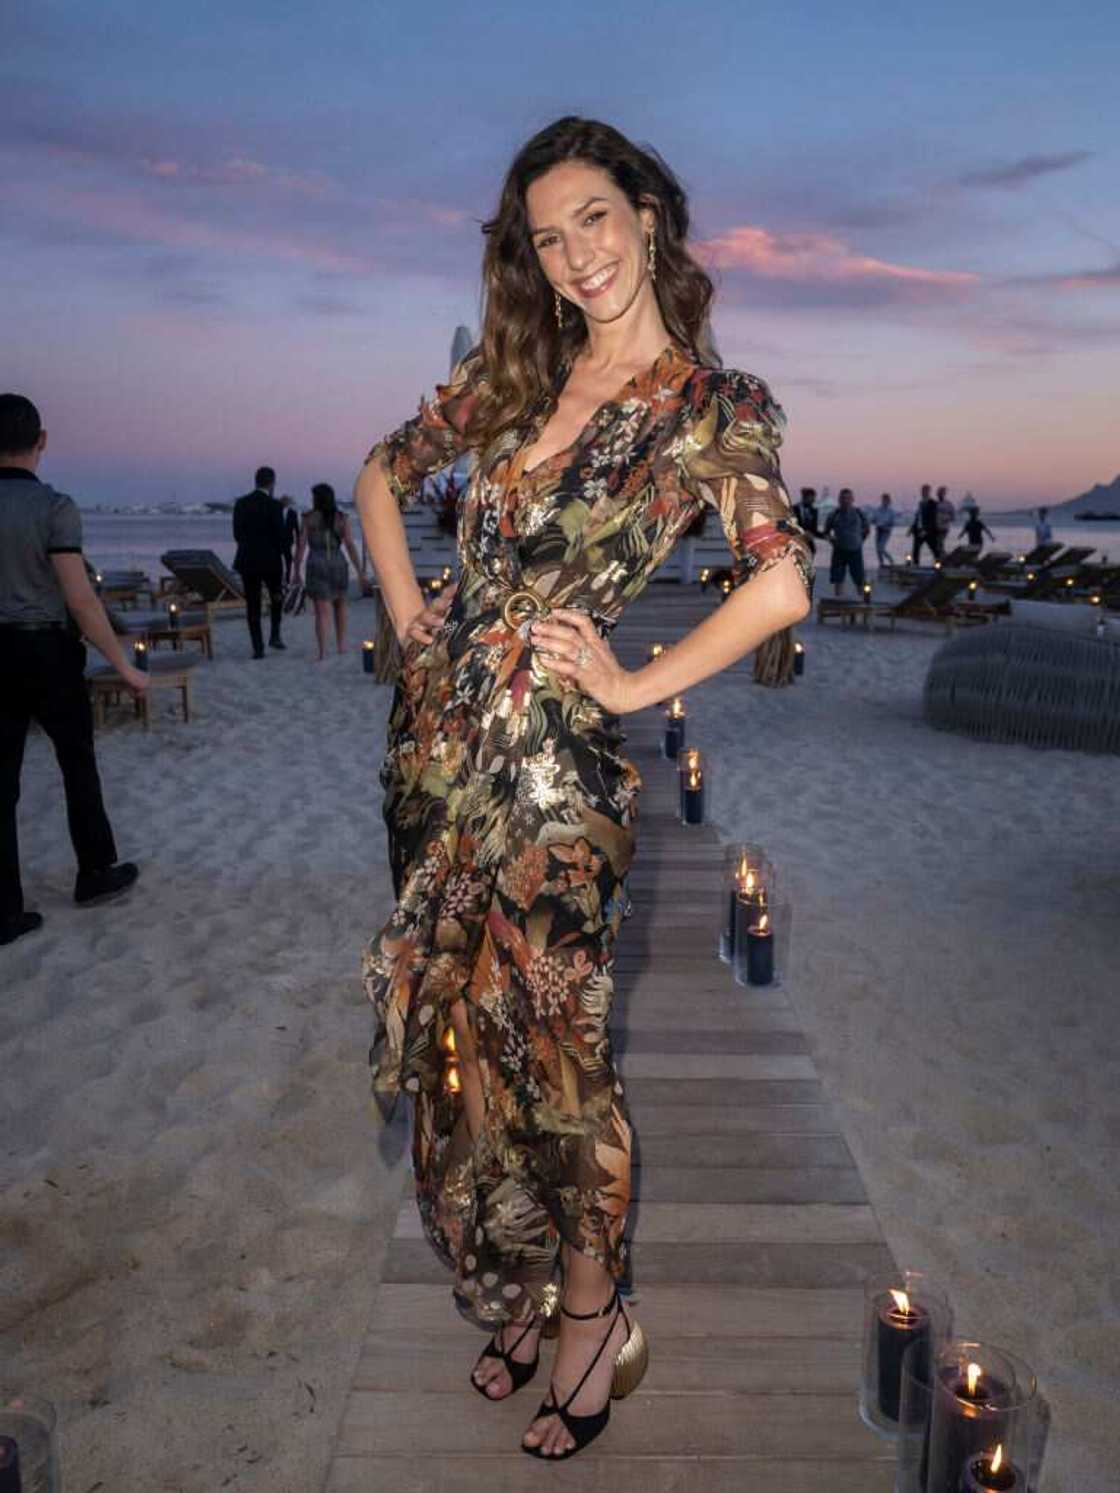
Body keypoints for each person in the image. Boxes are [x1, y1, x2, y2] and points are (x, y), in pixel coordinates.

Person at [353, 116, 811, 1461]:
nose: (574, 256)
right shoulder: (513, 373)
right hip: (430, 766)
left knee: (559, 1068)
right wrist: (405, 609)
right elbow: (382, 473)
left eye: (594, 218)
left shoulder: (708, 407)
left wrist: (627, 684)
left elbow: (783, 580)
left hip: (556, 790)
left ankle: (593, 1314)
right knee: (465, 1060)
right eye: (547, 238)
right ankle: (530, 1274)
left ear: (649, 217)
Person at [0, 394, 147, 946]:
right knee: (76, 763)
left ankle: (4, 910)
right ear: (41, 441)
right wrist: (123, 665)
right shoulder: (54, 507)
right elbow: (81, 600)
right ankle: (94, 872)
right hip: (47, 652)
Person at [292, 482, 366, 659]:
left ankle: (322, 651)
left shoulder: (308, 518)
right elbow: (349, 545)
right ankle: (341, 646)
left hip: (316, 563)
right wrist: (360, 571)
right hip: (338, 563)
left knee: (321, 610)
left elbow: (301, 546)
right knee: (340, 604)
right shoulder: (342, 518)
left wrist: (295, 570)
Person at [232, 465, 287, 658]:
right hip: (271, 560)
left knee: (252, 604)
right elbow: (281, 536)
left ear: (255, 481)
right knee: (276, 597)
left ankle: (258, 647)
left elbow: (237, 534)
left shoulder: (241, 504)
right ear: (272, 483)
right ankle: (275, 634)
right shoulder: (275, 506)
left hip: (248, 559)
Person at [823, 488, 869, 596]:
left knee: (859, 579)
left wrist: (860, 541)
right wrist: (832, 541)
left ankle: (862, 601)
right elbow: (826, 532)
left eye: (848, 498)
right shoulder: (833, 515)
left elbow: (867, 530)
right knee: (838, 579)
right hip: (839, 551)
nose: (845, 500)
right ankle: (839, 601)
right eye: (843, 498)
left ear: (853, 499)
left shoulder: (859, 513)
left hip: (855, 551)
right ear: (839, 500)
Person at [909, 483, 938, 564]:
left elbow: (933, 518)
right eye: (922, 491)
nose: (923, 493)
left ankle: (939, 565)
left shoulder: (933, 503)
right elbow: (918, 517)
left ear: (929, 492)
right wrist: (912, 528)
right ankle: (916, 565)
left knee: (934, 549)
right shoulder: (921, 503)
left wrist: (926, 530)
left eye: (925, 491)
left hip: (929, 531)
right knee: (916, 549)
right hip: (919, 530)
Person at [279, 495, 300, 585]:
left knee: (288, 559)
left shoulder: (293, 513)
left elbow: (296, 527)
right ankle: (279, 576)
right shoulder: (276, 511)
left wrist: (299, 539)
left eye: (287, 501)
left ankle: (287, 577)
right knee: (277, 560)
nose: (285, 502)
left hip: (288, 540)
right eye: (284, 501)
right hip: (277, 540)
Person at [871, 493, 897, 569]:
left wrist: (886, 525)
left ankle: (891, 560)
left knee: (881, 548)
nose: (885, 501)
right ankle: (881, 564)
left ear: (889, 501)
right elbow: (874, 519)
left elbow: (892, 522)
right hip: (878, 531)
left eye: (886, 500)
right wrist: (873, 521)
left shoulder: (891, 511)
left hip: (886, 532)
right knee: (878, 550)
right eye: (883, 500)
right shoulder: (878, 509)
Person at [934, 486, 956, 553]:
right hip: (936, 527)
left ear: (944, 494)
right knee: (938, 543)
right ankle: (941, 556)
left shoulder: (948, 504)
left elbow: (953, 517)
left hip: (944, 527)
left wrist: (946, 519)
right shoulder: (934, 504)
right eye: (938, 493)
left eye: (941, 493)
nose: (939, 495)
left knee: (940, 542)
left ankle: (943, 555)